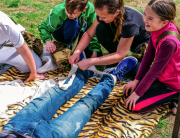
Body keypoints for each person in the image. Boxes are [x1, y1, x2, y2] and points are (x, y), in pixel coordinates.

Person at [0, 56, 137, 138]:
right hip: (52, 135)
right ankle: (112, 78)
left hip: (15, 128)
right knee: (86, 106)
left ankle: (83, 72)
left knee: (53, 94)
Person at [69, 0, 149, 76]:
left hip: (141, 44)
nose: (99, 18)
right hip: (122, 42)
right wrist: (77, 52)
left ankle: (118, 61)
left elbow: (120, 55)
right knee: (100, 28)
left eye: (103, 17)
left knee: (138, 73)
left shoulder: (130, 23)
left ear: (116, 12)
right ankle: (113, 60)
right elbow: (89, 34)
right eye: (98, 15)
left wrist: (89, 62)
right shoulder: (104, 15)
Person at [123, 0, 180, 113]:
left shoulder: (169, 42)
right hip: (162, 76)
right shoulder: (156, 28)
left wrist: (138, 93)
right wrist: (136, 80)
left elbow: (154, 71)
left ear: (164, 22)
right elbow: (148, 56)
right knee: (128, 92)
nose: (144, 19)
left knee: (134, 106)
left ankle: (174, 97)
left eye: (150, 18)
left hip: (172, 84)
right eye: (145, 15)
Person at [38, 0, 102, 58]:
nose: (69, 15)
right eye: (67, 11)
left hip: (80, 33)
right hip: (62, 33)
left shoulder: (91, 11)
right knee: (72, 22)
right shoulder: (58, 12)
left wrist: (94, 52)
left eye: (74, 13)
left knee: (98, 55)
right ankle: (67, 46)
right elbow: (43, 27)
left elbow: (93, 32)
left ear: (84, 9)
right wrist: (48, 40)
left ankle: (77, 46)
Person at [0, 11, 46, 83]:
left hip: (7, 44)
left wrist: (33, 73)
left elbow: (24, 50)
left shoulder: (6, 25)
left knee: (36, 66)